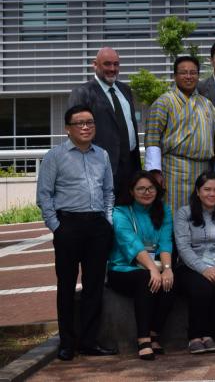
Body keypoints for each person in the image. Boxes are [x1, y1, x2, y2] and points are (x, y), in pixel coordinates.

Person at [36, 105, 117, 361]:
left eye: (90, 122)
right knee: (67, 286)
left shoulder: (101, 155)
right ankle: (67, 343)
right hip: (68, 226)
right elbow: (44, 196)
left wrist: (107, 220)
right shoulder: (55, 156)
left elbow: (108, 192)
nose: (85, 127)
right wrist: (57, 228)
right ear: (67, 128)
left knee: (94, 286)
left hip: (97, 227)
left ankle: (90, 341)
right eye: (79, 123)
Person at [107, 171, 175, 360]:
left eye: (151, 188)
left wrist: (167, 270)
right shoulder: (121, 212)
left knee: (171, 281)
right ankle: (143, 339)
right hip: (122, 268)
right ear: (131, 191)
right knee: (146, 279)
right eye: (141, 189)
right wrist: (153, 269)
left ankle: (154, 334)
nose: (147, 192)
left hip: (155, 265)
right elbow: (130, 243)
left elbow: (165, 242)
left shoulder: (164, 210)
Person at [173, 172, 215, 354]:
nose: (212, 194)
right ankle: (194, 337)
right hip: (191, 266)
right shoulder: (184, 213)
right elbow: (183, 247)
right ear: (198, 191)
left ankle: (209, 335)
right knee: (201, 288)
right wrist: (203, 269)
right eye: (207, 189)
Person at [145, 55, 215, 211]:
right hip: (173, 169)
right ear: (175, 76)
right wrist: (155, 172)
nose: (189, 76)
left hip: (204, 169)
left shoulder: (207, 104)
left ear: (198, 76)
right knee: (174, 213)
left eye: (193, 73)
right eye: (184, 72)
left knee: (201, 214)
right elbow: (152, 138)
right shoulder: (164, 102)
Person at [68, 47, 141, 198]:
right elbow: (75, 134)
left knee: (126, 216)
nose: (112, 69)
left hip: (130, 168)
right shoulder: (82, 93)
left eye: (116, 64)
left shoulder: (125, 90)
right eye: (107, 64)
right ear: (95, 64)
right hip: (99, 171)